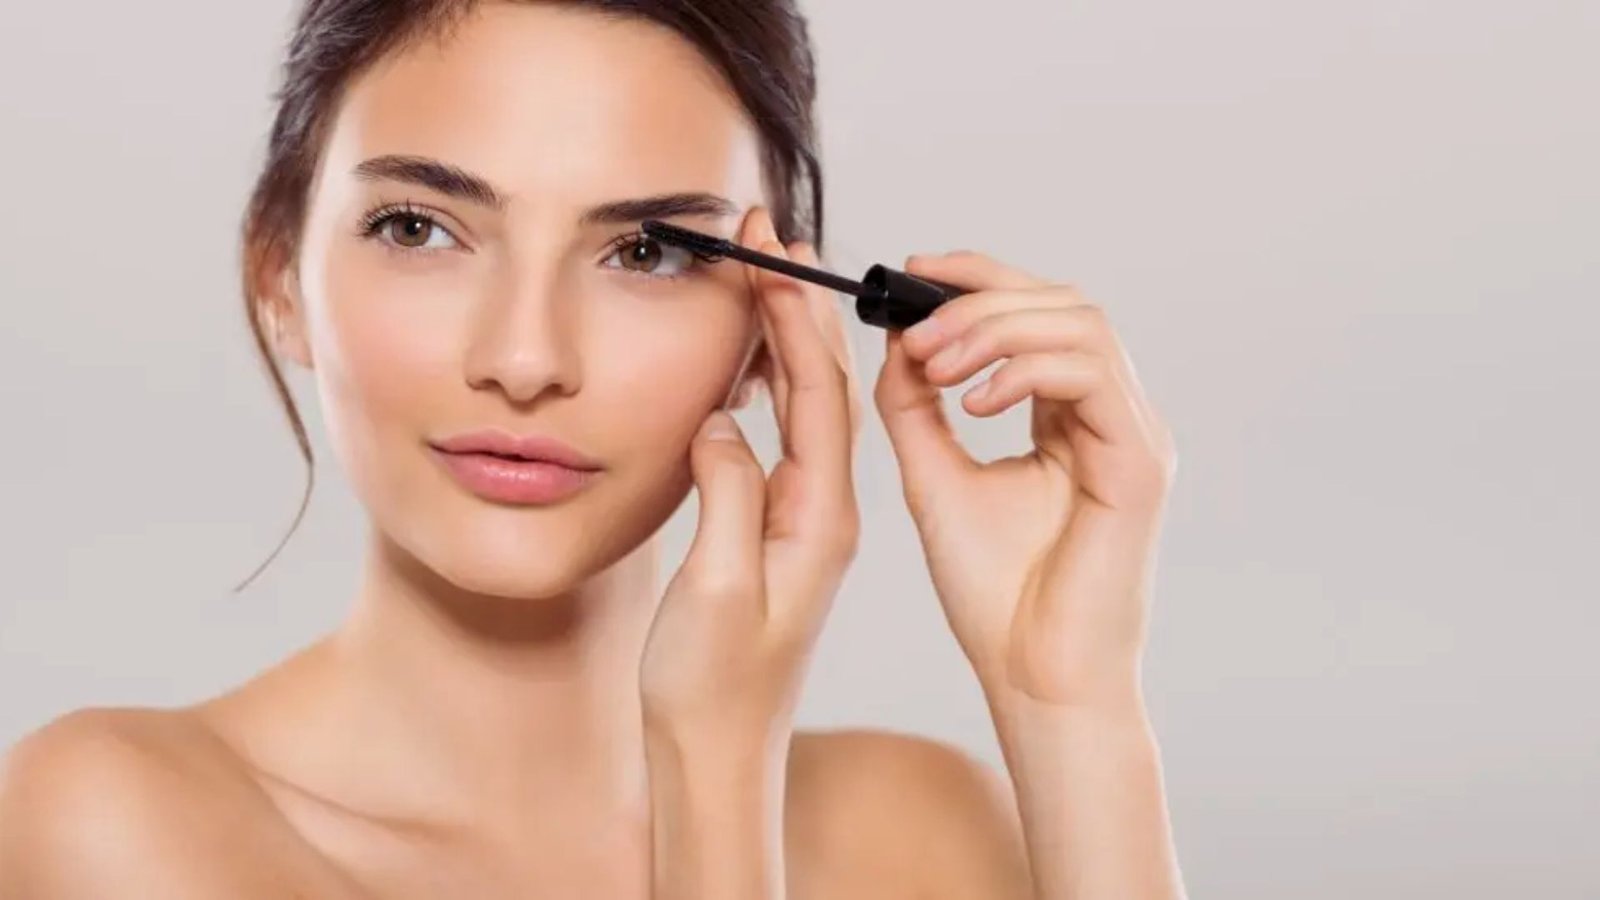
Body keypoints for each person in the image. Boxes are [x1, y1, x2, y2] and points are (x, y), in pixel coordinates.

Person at [0, 2, 1185, 897]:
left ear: (777, 330)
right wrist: (713, 776)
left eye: (647, 253)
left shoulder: (924, 832)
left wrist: (1066, 701)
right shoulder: (114, 825)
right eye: (418, 227)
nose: (525, 358)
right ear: (281, 280)